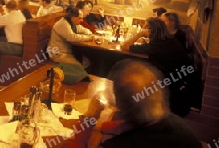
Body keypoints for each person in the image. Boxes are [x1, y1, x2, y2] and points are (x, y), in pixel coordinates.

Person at [64, 59, 201, 148]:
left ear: (120, 107)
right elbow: (132, 125)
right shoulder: (171, 121)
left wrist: (89, 118)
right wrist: (101, 125)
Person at [121, 17, 198, 117]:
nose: (143, 29)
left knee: (135, 83)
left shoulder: (156, 45)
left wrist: (139, 34)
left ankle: (139, 115)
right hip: (181, 81)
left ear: (151, 30)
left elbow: (124, 46)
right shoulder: (169, 40)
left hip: (171, 86)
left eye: (145, 27)